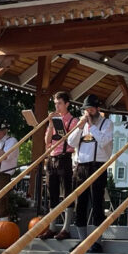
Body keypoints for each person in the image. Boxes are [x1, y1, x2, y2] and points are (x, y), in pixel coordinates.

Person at [66, 95, 114, 253]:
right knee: (80, 204)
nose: (88, 113)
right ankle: (82, 241)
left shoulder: (107, 124)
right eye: (86, 110)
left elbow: (104, 141)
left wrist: (92, 126)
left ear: (98, 109)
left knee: (97, 204)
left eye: (91, 109)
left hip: (98, 167)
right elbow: (70, 143)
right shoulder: (82, 124)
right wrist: (80, 127)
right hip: (81, 167)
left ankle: (97, 242)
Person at [40, 91, 78, 240]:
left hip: (65, 158)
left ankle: (66, 227)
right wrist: (51, 123)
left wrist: (60, 124)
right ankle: (52, 226)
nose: (57, 106)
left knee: (67, 192)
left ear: (67, 104)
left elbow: (71, 141)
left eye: (59, 103)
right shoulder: (54, 120)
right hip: (52, 158)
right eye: (55, 103)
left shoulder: (73, 121)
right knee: (52, 193)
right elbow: (47, 141)